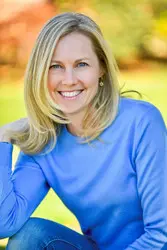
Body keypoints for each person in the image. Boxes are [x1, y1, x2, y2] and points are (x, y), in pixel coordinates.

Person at [0, 12, 166, 250]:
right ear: (40, 74)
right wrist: (3, 139)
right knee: (29, 236)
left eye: (81, 64)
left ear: (101, 69)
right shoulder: (43, 143)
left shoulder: (141, 122)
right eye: (55, 66)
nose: (68, 80)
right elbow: (5, 225)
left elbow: (161, 234)